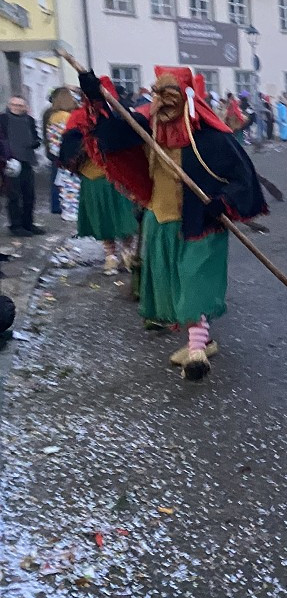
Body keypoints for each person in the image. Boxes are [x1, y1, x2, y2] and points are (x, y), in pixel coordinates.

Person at [78, 65, 267, 380]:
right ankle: (202, 340)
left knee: (194, 281)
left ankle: (196, 353)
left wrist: (222, 201)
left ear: (187, 98)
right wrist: (96, 96)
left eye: (170, 94)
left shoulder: (211, 135)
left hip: (201, 222)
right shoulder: (146, 126)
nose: (162, 101)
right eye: (157, 93)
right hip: (161, 220)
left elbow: (242, 177)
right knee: (175, 285)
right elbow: (112, 135)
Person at [59, 76, 138, 275]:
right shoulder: (78, 116)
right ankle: (110, 256)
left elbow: (133, 143)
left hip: (119, 174)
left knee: (125, 218)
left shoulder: (120, 113)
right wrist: (86, 145)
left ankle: (127, 253)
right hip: (93, 175)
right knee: (102, 218)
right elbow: (68, 149)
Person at [1, 96, 43, 237]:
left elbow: (35, 136)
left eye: (20, 105)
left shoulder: (29, 120)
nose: (16, 107)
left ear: (25, 107)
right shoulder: (3, 119)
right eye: (14, 104)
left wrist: (36, 142)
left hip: (27, 160)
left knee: (29, 195)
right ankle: (16, 225)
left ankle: (28, 223)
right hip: (10, 162)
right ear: (9, 105)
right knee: (13, 195)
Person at [44, 88, 81, 223]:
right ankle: (73, 212)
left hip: (60, 156)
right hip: (70, 157)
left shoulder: (53, 116)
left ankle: (67, 210)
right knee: (73, 186)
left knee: (65, 185)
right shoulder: (67, 118)